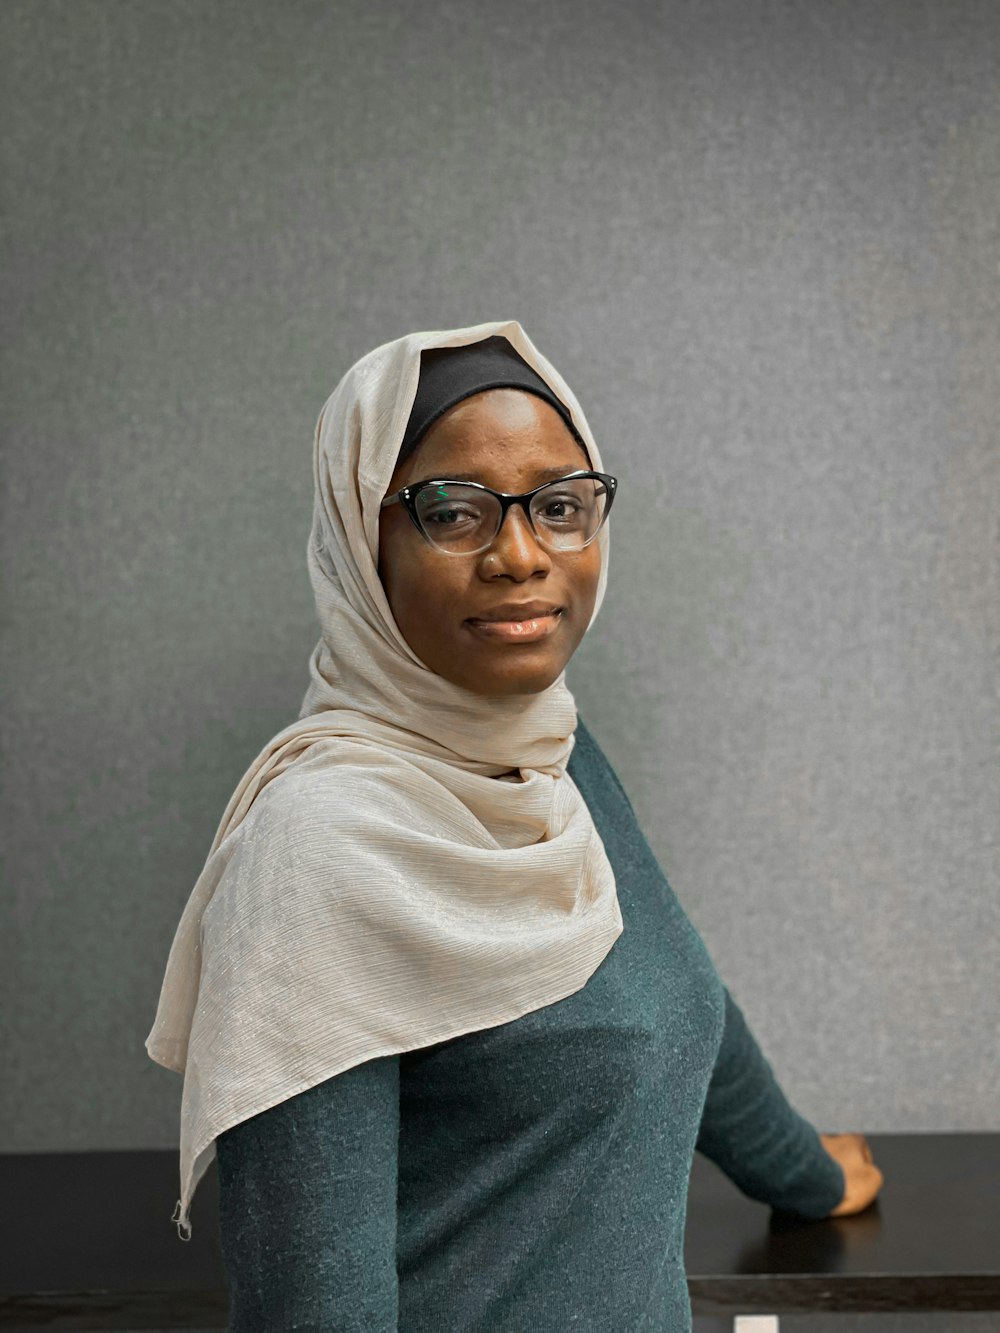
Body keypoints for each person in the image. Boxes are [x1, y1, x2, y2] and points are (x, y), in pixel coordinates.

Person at [145, 320, 883, 1331]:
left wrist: (805, 1173)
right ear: (363, 537)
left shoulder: (554, 756)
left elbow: (677, 992)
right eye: (453, 511)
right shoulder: (311, 857)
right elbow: (316, 1313)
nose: (522, 553)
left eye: (560, 504)